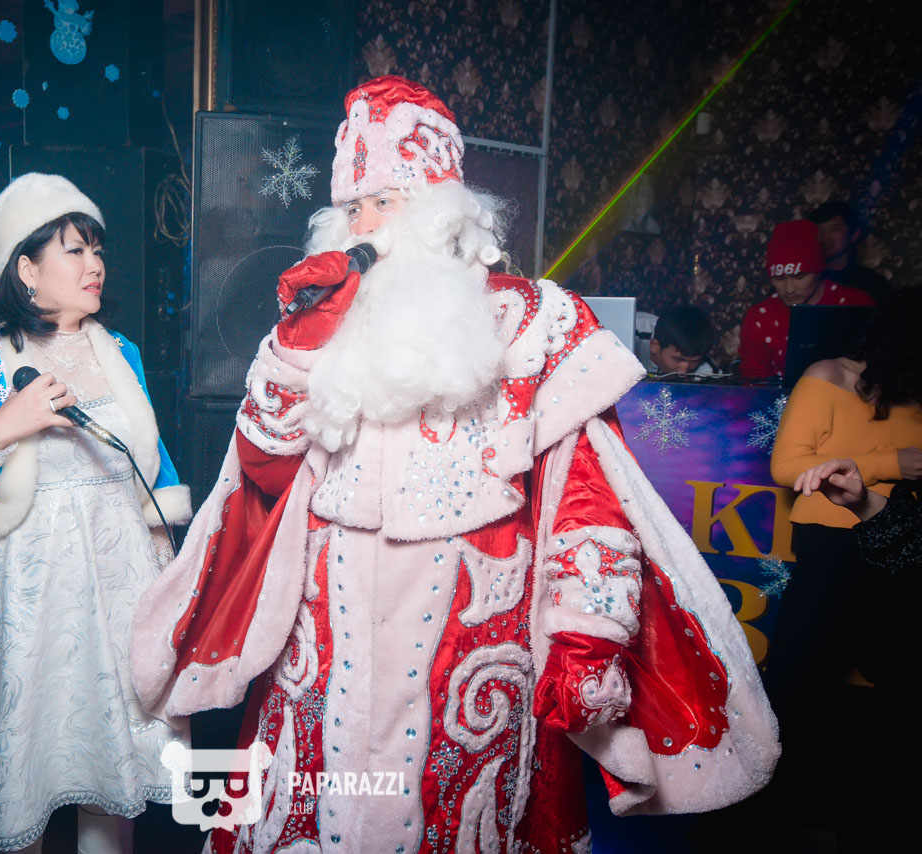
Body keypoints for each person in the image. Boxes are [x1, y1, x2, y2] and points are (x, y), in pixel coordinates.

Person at [131, 77, 778, 852]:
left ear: (441, 212)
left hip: (473, 655)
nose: (365, 226)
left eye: (385, 203)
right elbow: (262, 473)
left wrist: (588, 637)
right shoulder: (318, 323)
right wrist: (297, 347)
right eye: (352, 209)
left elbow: (588, 496)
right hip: (322, 649)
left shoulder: (534, 323)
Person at [0, 173, 193, 853]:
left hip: (119, 581)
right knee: (23, 764)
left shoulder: (121, 352)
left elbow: (152, 474)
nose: (95, 265)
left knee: (113, 766)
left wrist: (167, 583)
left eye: (98, 250)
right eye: (74, 250)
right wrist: (4, 427)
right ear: (26, 269)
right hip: (21, 589)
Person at [767, 287, 922, 847]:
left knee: (884, 688)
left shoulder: (914, 391)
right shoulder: (829, 376)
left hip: (904, 546)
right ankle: (757, 809)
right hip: (833, 542)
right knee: (799, 672)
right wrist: (889, 461)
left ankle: (854, 812)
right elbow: (787, 465)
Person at [738, 219, 874, 379]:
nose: (789, 289)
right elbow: (753, 380)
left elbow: (875, 366)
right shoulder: (760, 317)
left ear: (818, 271)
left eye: (800, 276)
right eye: (779, 278)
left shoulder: (854, 303)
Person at [811, 200, 893, 305]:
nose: (825, 237)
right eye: (819, 230)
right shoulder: (805, 280)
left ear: (854, 235)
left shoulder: (873, 283)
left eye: (834, 229)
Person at [636, 304, 716, 375]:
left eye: (694, 361)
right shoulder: (634, 329)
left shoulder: (708, 371)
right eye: (678, 359)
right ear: (654, 346)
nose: (683, 371)